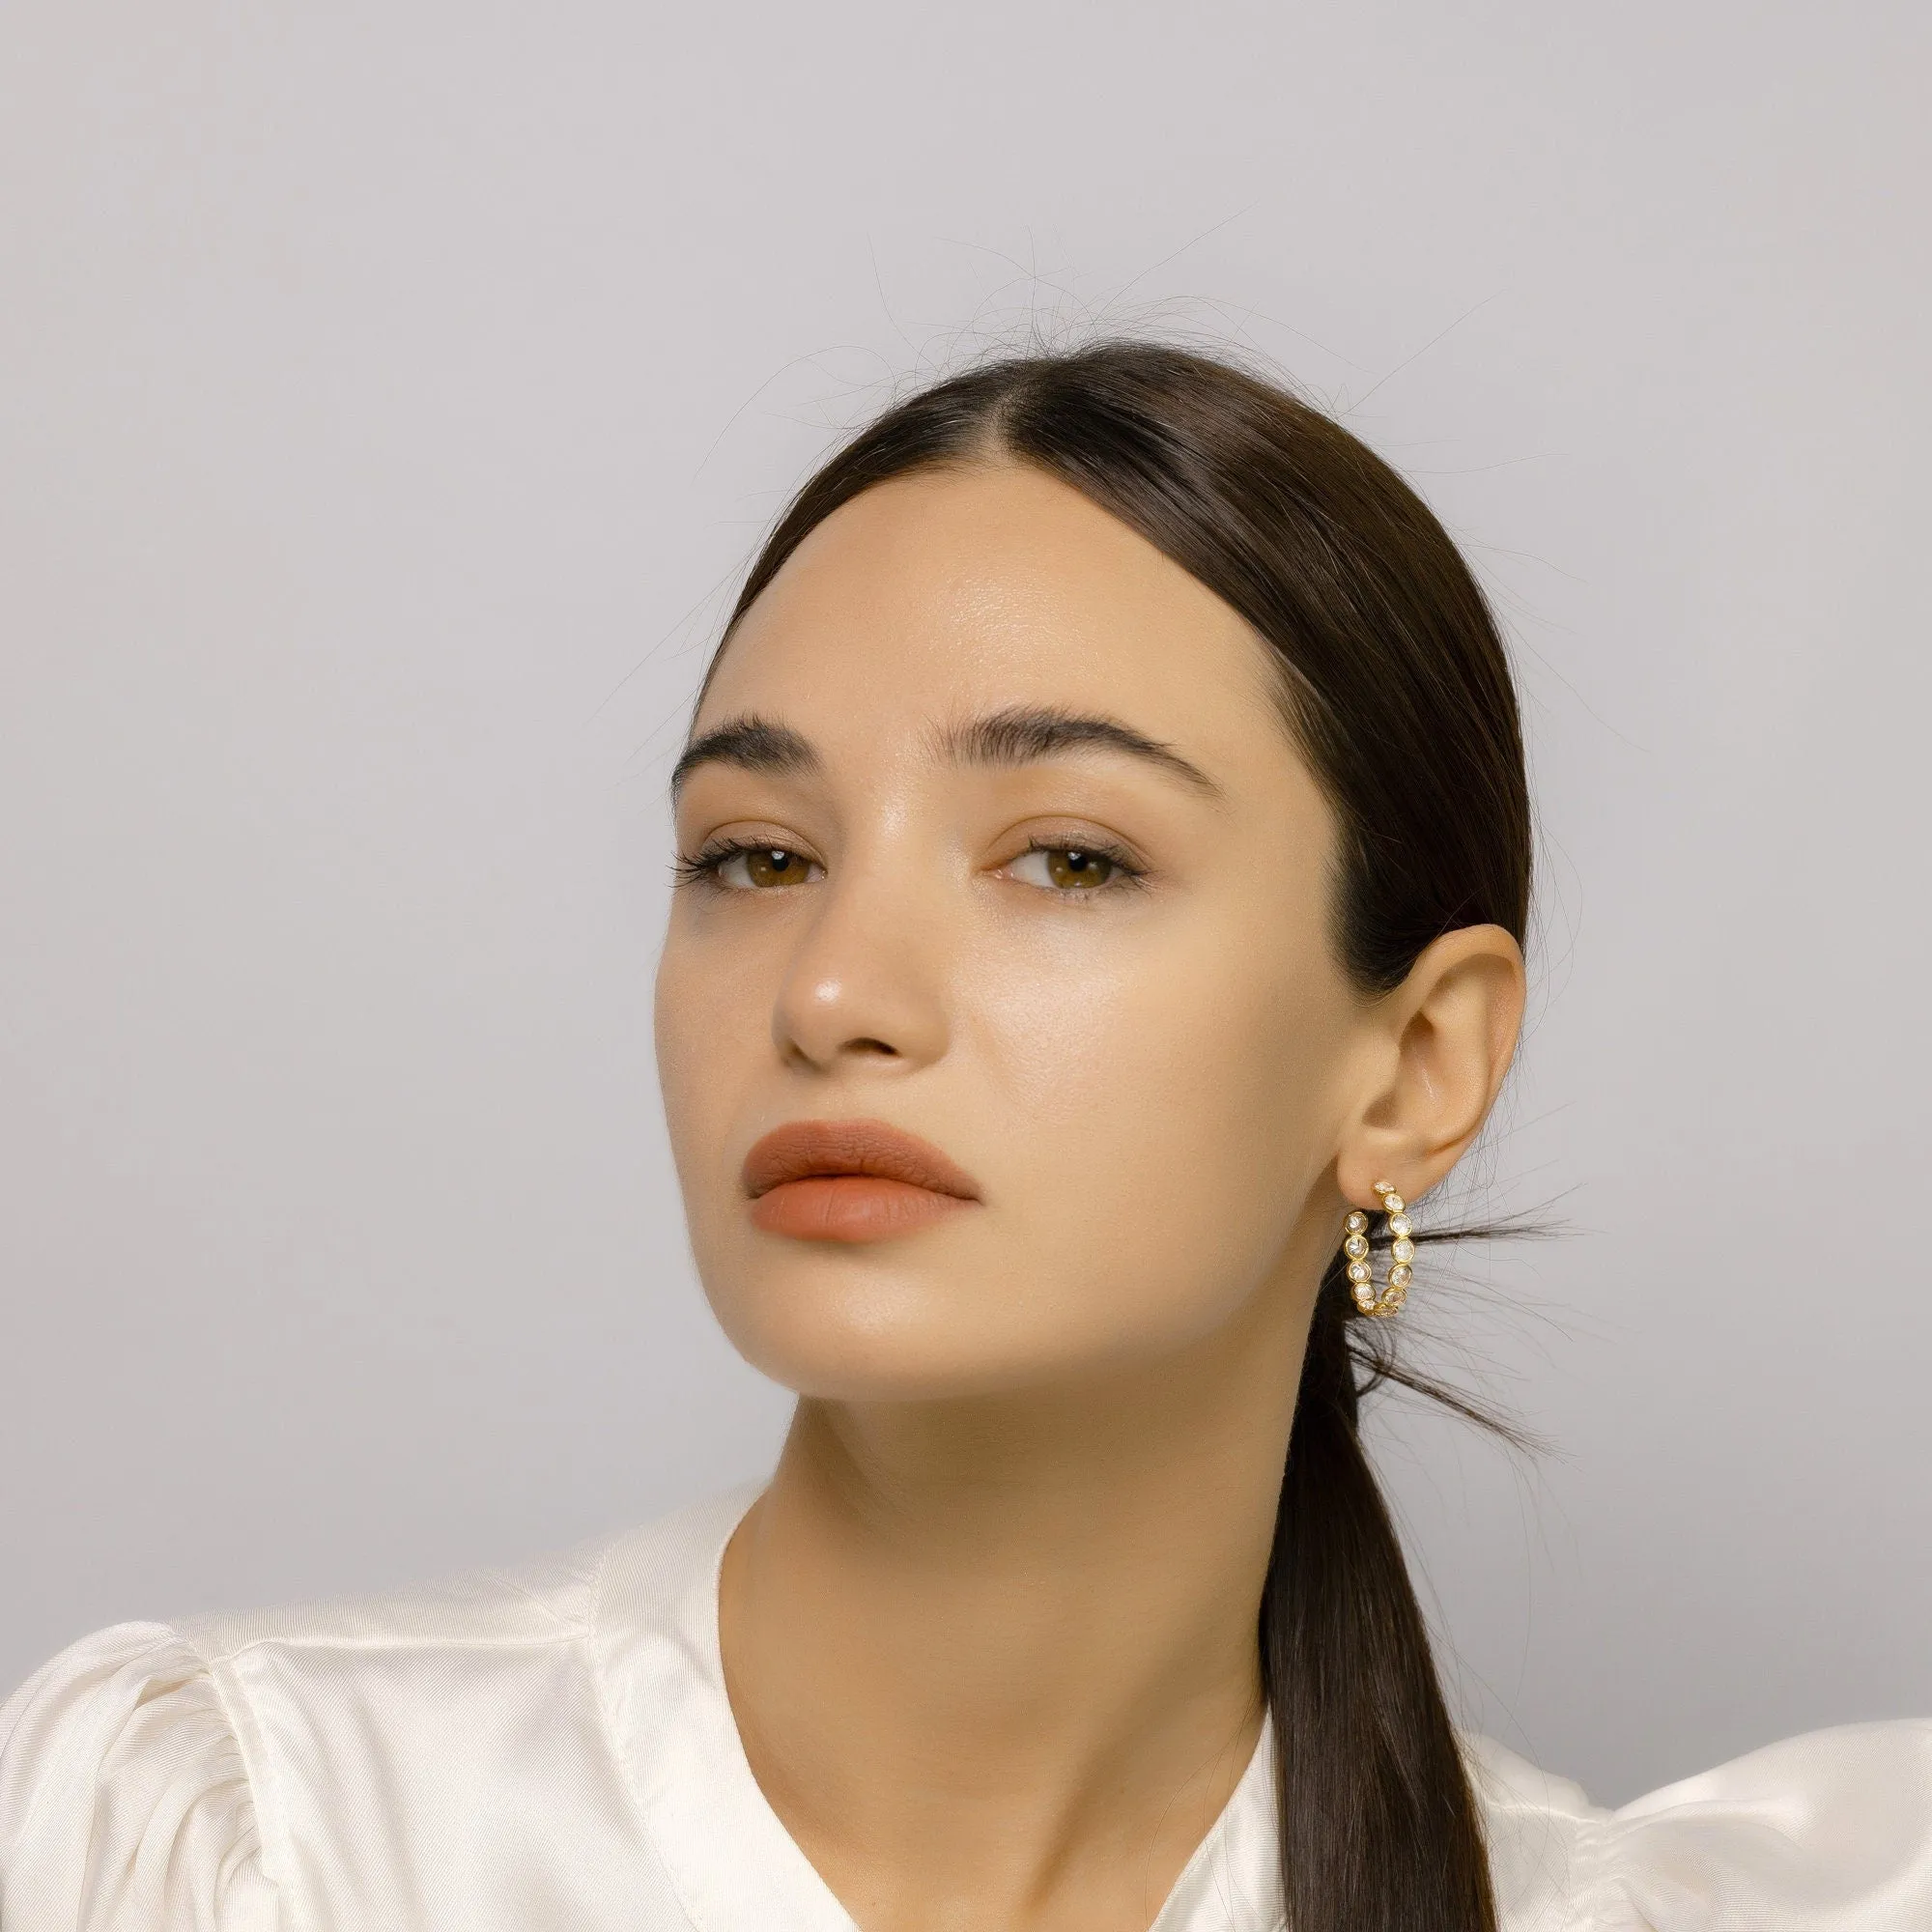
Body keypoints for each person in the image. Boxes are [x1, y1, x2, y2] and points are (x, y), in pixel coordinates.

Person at [2, 341, 1927, 1932]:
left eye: (1070, 858)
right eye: (754, 856)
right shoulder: (256, 1842)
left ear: (1416, 1066)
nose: (833, 989)